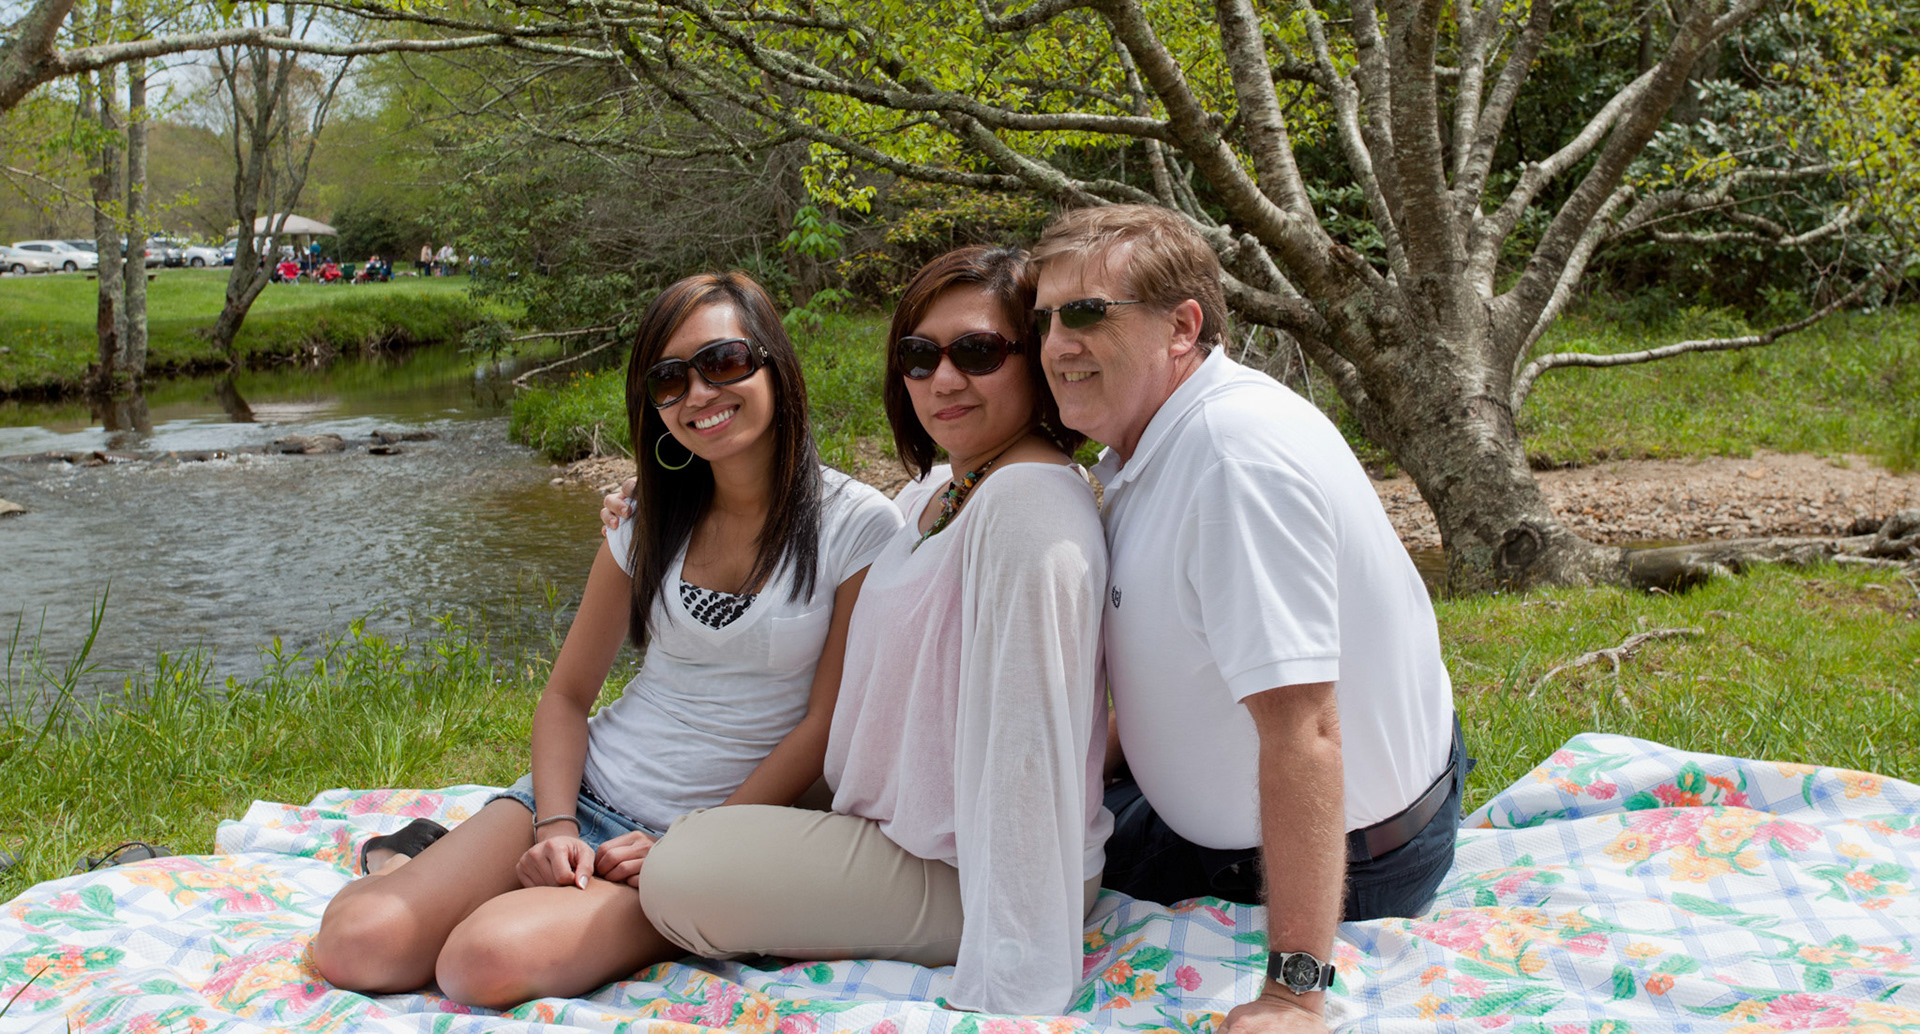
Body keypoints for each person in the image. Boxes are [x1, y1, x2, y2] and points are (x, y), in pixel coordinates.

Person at [312, 271, 901, 1009]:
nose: (699, 394)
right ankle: (413, 861)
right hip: (588, 790)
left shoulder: (858, 525)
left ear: (774, 364)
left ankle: (553, 897)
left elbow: (825, 725)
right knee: (356, 945)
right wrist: (553, 826)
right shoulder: (645, 518)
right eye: (669, 380)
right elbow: (566, 696)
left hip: (708, 843)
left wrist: (692, 851)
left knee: (481, 962)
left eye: (723, 362)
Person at [604, 247, 1111, 1015]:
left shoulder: (1027, 506)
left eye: (978, 352)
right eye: (919, 356)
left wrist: (1014, 969)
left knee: (682, 870)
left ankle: (608, 916)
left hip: (971, 873)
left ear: (1036, 358)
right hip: (900, 824)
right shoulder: (941, 488)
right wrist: (666, 490)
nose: (943, 380)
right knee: (699, 814)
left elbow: (1029, 746)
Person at [1028, 205, 1461, 1034]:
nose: (1055, 344)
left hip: (1354, 861)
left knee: (1002, 893)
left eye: (1085, 313)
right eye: (1043, 319)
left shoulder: (1231, 463)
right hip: (1254, 820)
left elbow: (1309, 732)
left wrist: (1294, 994)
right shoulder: (1155, 442)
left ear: (1182, 328)